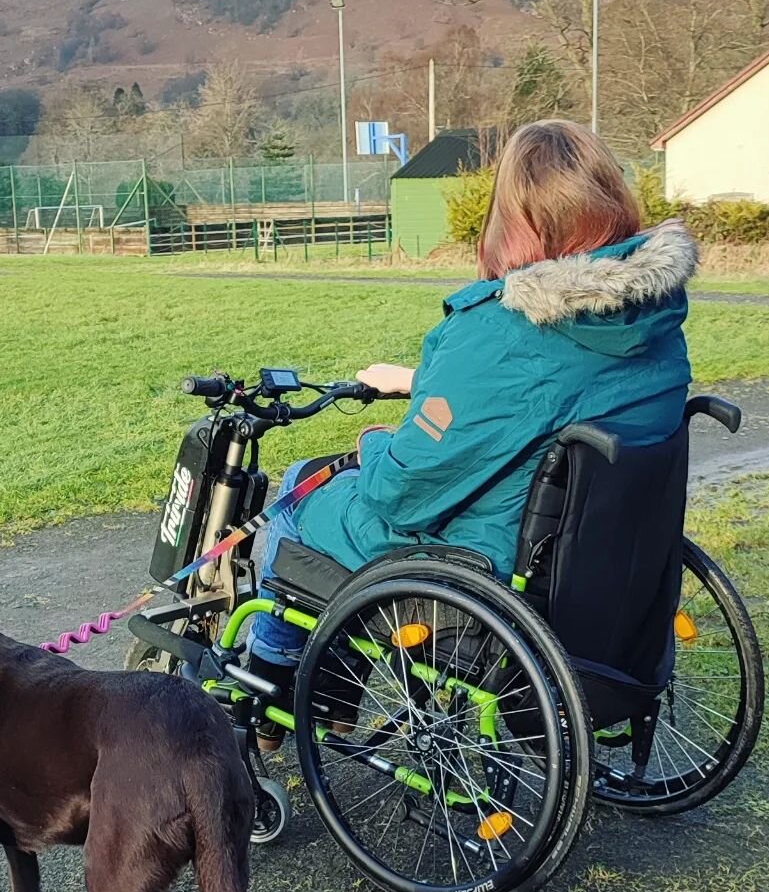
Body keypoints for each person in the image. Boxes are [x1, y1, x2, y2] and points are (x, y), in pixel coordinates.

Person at [246, 119, 697, 740]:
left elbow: (401, 491)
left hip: (494, 575)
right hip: (607, 582)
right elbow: (548, 398)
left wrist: (372, 442)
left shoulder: (502, 331)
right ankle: (329, 686)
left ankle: (278, 687)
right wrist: (421, 382)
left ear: (519, 220)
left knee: (304, 496)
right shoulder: (654, 321)